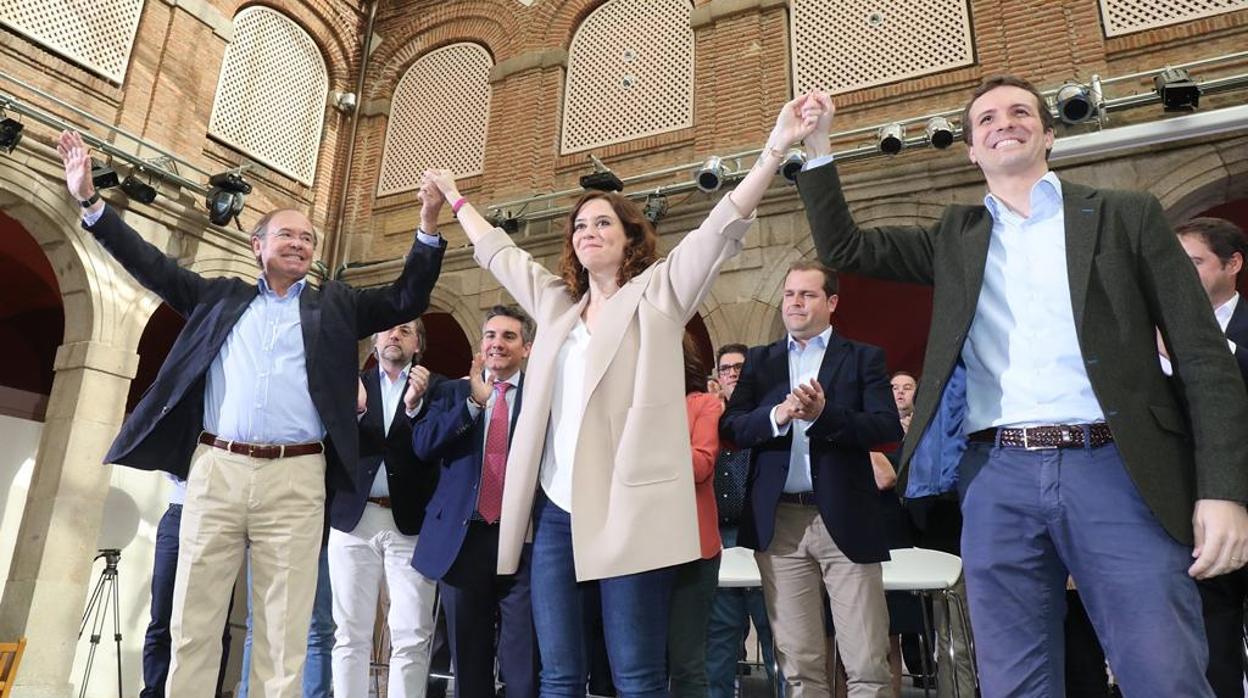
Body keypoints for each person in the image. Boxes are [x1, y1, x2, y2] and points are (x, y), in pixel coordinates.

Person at [793, 76, 1248, 697]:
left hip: (1119, 467)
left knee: (1163, 670)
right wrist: (818, 147)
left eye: (1019, 112)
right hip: (996, 475)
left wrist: (1224, 491)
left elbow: (1203, 359)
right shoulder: (954, 239)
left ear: (1049, 134)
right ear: (972, 150)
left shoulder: (1124, 215)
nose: (1003, 122)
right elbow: (844, 245)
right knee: (1014, 681)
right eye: (985, 119)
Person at [420, 95, 818, 693]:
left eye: (602, 221)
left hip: (628, 508)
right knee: (557, 674)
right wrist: (455, 197)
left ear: (630, 234)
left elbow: (719, 227)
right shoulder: (557, 306)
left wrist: (775, 147)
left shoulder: (659, 294)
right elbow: (499, 253)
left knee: (635, 676)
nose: (588, 232)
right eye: (579, 225)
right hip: (557, 511)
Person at [56, 130, 446, 698]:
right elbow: (150, 264)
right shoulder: (217, 297)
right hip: (216, 470)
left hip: (297, 477)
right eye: (285, 234)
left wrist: (429, 222)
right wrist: (90, 201)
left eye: (308, 238)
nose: (300, 243)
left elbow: (408, 296)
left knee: (284, 631)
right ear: (256, 246)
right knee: (193, 620)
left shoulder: (336, 307)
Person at [722, 260, 901, 697]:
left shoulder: (862, 357)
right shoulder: (760, 362)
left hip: (844, 518)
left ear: (831, 302)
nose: (795, 303)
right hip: (780, 523)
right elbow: (730, 428)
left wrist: (825, 416)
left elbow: (886, 429)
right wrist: (777, 416)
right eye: (789, 294)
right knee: (798, 665)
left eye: (808, 294)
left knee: (866, 661)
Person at [411, 305, 540, 698]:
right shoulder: (451, 392)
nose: (497, 344)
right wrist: (474, 405)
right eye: (490, 336)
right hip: (462, 541)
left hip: (523, 541)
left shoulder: (541, 398)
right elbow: (423, 445)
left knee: (524, 663)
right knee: (468, 662)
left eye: (508, 337)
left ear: (528, 348)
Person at [328, 318, 440, 698]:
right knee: (349, 633)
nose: (396, 334)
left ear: (417, 346)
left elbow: (437, 448)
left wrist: (415, 410)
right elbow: (329, 445)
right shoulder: (348, 385)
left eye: (406, 331)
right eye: (389, 329)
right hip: (352, 521)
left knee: (410, 634)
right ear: (375, 339)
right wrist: (355, 413)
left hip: (410, 525)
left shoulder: (438, 390)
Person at [1163, 217, 1248, 698]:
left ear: (1232, 264)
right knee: (1211, 644)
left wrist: (1195, 348)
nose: (1179, 273)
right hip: (1194, 512)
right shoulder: (1150, 337)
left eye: (1193, 262)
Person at [706, 344, 783, 697]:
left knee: (774, 629)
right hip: (719, 537)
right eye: (726, 368)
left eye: (740, 367)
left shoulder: (770, 419)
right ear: (717, 378)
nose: (733, 373)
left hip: (762, 534)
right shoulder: (706, 420)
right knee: (720, 634)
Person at [140, 476, 233, 698]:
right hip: (179, 512)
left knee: (216, 623)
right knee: (162, 615)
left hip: (221, 520)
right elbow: (170, 460)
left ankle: (211, 692)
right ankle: (154, 692)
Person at [667, 334, 724, 696]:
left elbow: (700, 466)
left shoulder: (703, 404)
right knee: (638, 664)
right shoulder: (623, 404)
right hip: (637, 549)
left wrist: (652, 430)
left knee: (687, 663)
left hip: (693, 550)